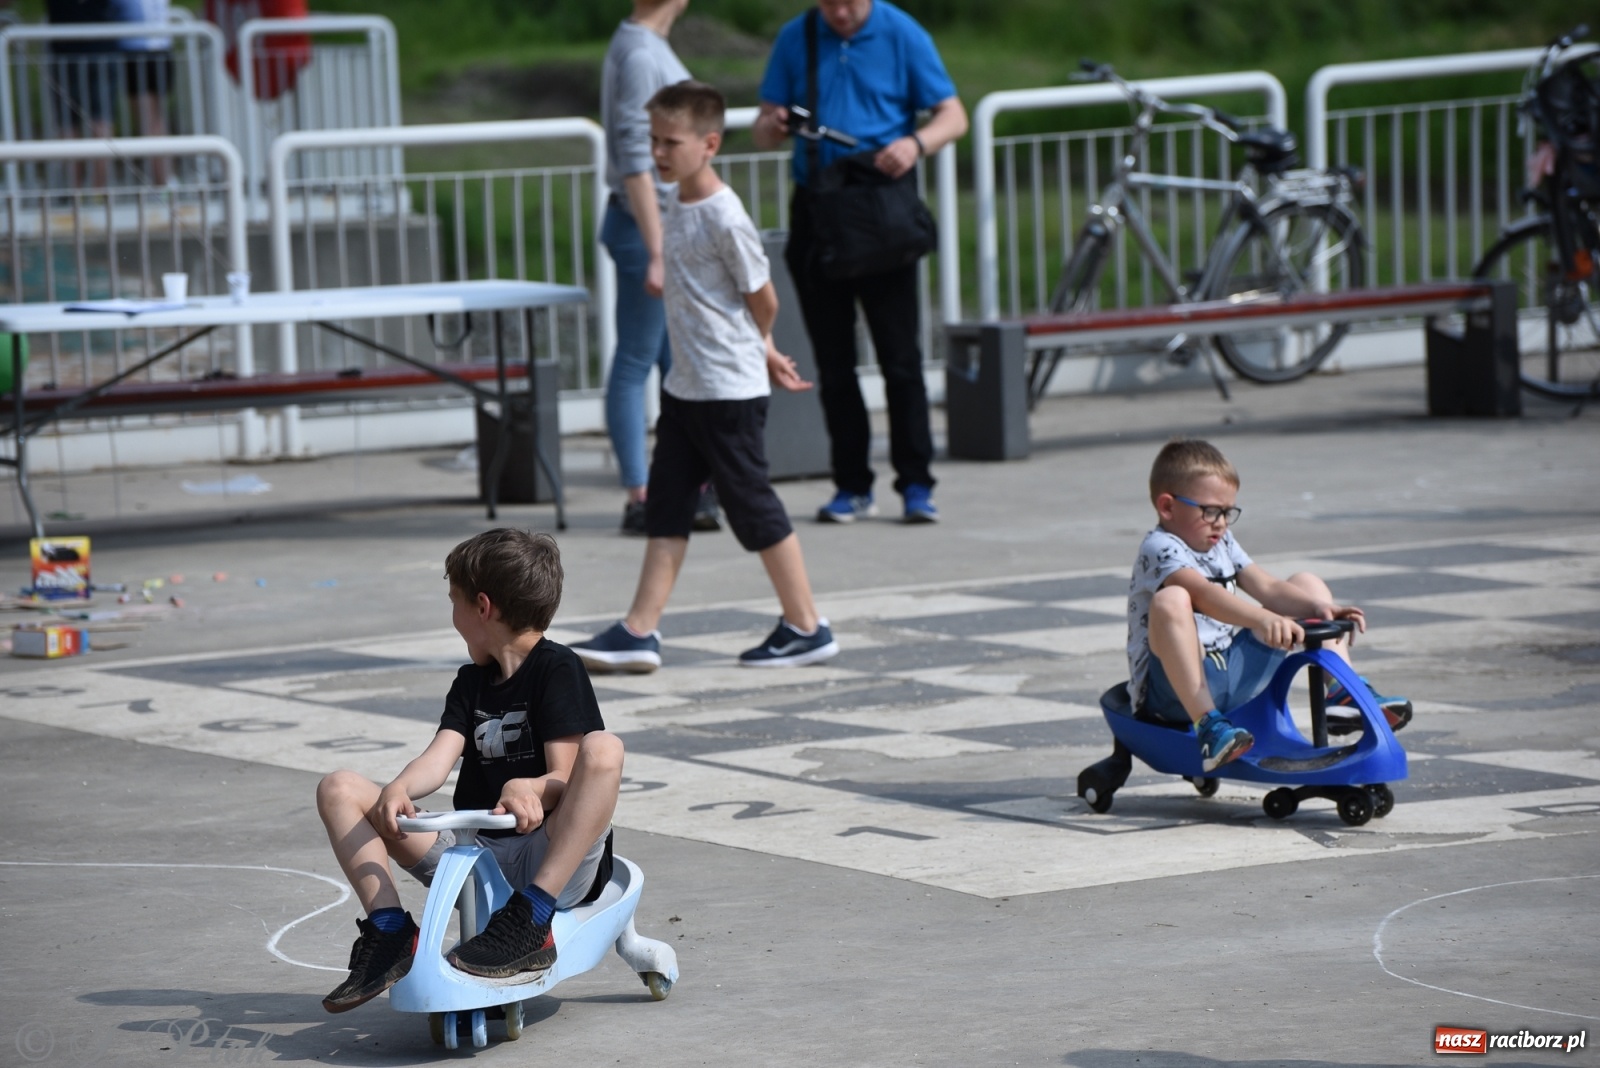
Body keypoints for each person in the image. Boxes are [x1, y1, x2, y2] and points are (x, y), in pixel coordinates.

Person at [571, 80, 839, 673]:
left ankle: (807, 625)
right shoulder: (675, 199)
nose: (659, 153)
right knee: (666, 506)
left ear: (709, 144)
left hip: (726, 392)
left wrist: (761, 345)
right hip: (687, 387)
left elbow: (762, 297)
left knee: (751, 506)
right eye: (653, 140)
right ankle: (640, 631)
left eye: (671, 142)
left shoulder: (724, 215)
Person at [314, 528, 624, 1012]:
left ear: (482, 607)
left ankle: (532, 919)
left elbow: (566, 778)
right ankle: (392, 930)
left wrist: (534, 788)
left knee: (604, 749)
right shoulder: (470, 682)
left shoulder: (557, 668)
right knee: (338, 788)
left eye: (454, 602)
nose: (453, 617)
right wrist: (399, 788)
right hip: (478, 859)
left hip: (552, 856)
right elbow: (439, 758)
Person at [752, 0, 968, 525]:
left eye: (850, 3)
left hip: (882, 208)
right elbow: (762, 129)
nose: (840, 13)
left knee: (901, 357)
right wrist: (775, 123)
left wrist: (915, 144)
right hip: (820, 210)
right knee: (834, 360)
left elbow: (953, 115)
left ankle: (916, 484)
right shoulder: (795, 36)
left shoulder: (901, 32)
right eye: (829, 3)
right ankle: (851, 484)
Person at [1127, 439, 1412, 772]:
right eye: (1210, 511)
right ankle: (1208, 727)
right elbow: (1204, 595)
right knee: (1172, 598)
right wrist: (1262, 620)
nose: (1221, 522)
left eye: (1227, 512)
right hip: (1174, 692)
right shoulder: (1159, 547)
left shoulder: (1223, 541)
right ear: (1167, 507)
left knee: (1308, 584)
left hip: (1229, 673)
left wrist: (1321, 608)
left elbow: (1267, 587)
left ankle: (1341, 695)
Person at [600, 0, 719, 536]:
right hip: (645, 227)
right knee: (638, 358)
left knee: (676, 358)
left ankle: (684, 483)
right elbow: (634, 157)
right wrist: (657, 249)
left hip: (660, 226)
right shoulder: (642, 52)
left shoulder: (644, 44)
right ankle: (641, 492)